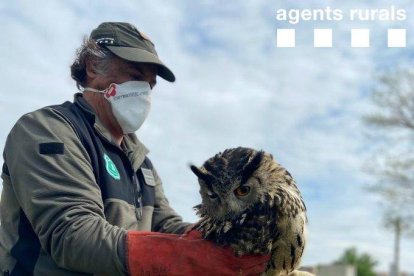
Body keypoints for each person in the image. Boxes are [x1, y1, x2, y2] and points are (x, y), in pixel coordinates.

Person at [0, 22, 270, 275]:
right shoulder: (46, 130)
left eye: (150, 86)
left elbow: (168, 227)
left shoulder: (141, 163)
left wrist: (229, 243)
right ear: (93, 67)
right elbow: (73, 236)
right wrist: (196, 258)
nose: (145, 93)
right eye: (135, 77)